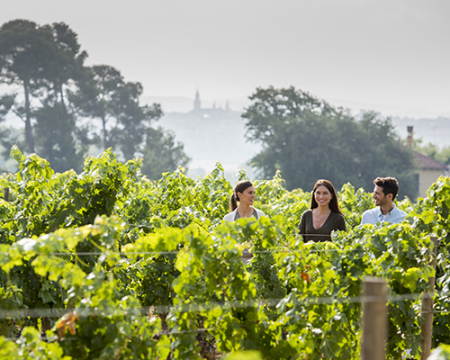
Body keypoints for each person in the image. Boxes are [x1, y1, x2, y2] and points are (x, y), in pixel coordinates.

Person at [223, 180, 265, 262]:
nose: (253, 196)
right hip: (235, 266)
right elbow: (225, 247)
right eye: (250, 193)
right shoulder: (228, 219)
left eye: (254, 193)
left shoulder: (260, 216)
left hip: (255, 266)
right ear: (239, 195)